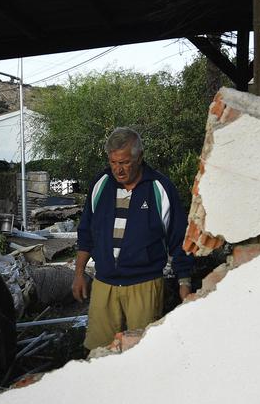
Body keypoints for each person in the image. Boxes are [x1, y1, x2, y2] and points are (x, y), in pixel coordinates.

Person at [73, 127, 193, 350]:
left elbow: (180, 239)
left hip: (144, 286)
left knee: (142, 353)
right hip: (104, 284)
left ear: (139, 158)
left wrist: (184, 283)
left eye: (125, 162)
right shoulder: (101, 184)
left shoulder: (160, 188)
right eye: (113, 162)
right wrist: (79, 273)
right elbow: (86, 231)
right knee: (98, 352)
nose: (118, 169)